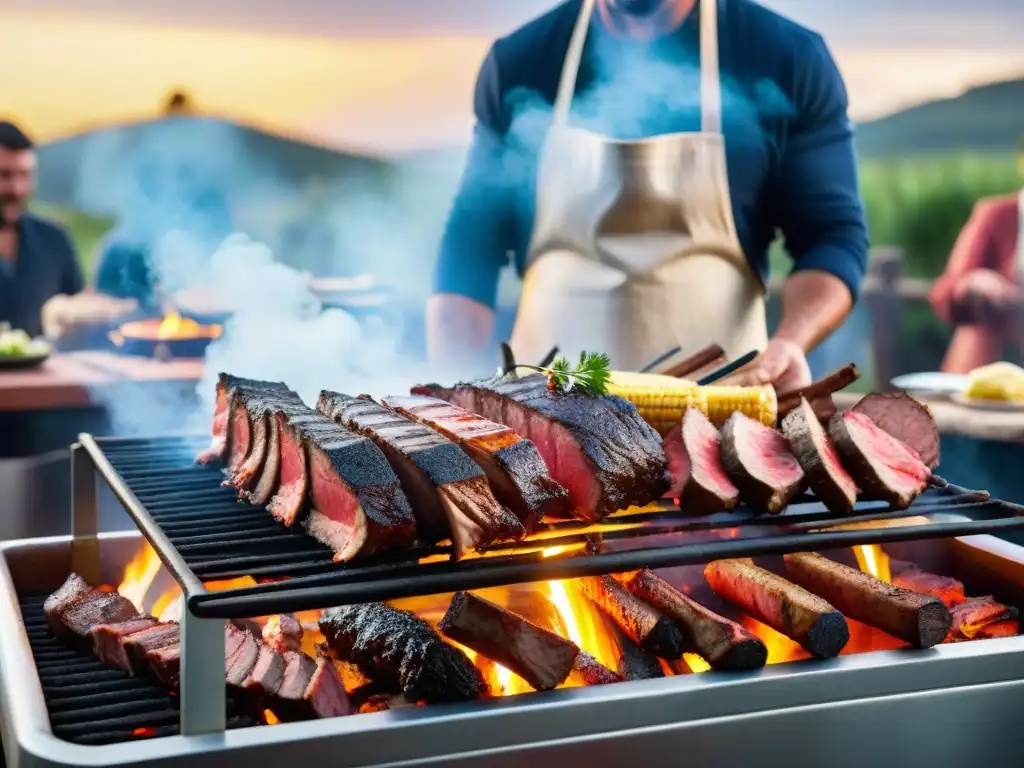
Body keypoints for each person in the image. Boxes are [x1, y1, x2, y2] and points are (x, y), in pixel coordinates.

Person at [427, 0, 868, 390]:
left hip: (723, 409)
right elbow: (470, 245)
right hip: (542, 414)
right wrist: (454, 389)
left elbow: (832, 237)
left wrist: (791, 342)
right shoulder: (520, 62)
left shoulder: (788, 58)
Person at [929, 138, 1022, 373]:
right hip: (996, 354)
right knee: (977, 328)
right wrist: (973, 282)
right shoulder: (997, 215)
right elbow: (944, 293)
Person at [0, 121, 85, 337]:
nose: (17, 189)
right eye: (4, 175)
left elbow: (80, 309)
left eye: (25, 175)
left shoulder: (54, 240)